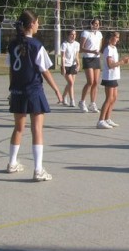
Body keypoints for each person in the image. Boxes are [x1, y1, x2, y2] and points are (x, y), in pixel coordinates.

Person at [6, 10, 63, 182]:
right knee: (37, 129)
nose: (39, 25)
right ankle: (38, 170)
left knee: (18, 128)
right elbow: (44, 70)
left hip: (17, 91)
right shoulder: (36, 45)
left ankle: (12, 163)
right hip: (33, 90)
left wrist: (12, 89)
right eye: (38, 22)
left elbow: (11, 70)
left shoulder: (12, 44)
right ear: (32, 24)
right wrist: (57, 89)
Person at [97, 31, 129, 129]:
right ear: (110, 38)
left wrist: (123, 62)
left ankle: (107, 119)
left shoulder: (114, 48)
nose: (118, 39)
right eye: (116, 37)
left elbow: (115, 63)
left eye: (118, 37)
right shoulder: (108, 49)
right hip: (109, 76)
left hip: (114, 76)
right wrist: (122, 61)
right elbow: (110, 65)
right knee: (109, 98)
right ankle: (100, 120)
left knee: (114, 98)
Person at [79, 17, 103, 113]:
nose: (97, 25)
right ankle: (82, 102)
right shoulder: (85, 33)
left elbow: (99, 46)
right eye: (95, 24)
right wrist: (91, 51)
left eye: (98, 24)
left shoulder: (99, 34)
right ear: (91, 24)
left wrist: (98, 51)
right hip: (87, 58)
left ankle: (92, 103)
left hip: (96, 58)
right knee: (90, 81)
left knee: (96, 82)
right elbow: (81, 48)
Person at [59, 29, 80, 107]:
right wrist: (63, 67)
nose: (73, 36)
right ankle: (72, 100)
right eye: (72, 34)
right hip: (66, 65)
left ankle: (64, 97)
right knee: (71, 83)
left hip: (73, 65)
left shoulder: (77, 44)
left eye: (75, 34)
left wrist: (78, 64)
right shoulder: (64, 44)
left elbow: (77, 56)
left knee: (71, 83)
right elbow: (63, 57)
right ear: (68, 35)